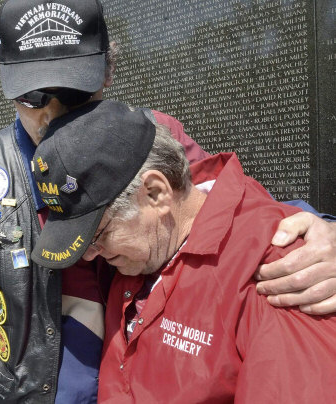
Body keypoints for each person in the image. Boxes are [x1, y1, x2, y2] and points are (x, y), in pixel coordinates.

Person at [0, 0, 336, 402]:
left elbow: (219, 202)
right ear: (3, 83)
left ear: (107, 71)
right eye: (32, 97)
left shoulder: (147, 136)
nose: (51, 115)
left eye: (71, 92)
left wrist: (311, 229)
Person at [30, 100, 336, 402]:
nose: (89, 255)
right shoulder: (146, 248)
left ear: (156, 193)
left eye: (98, 234)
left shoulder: (283, 272)